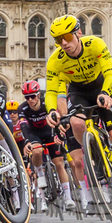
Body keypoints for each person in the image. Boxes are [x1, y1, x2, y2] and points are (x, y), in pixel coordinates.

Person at [44, 15, 112, 199]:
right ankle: (95, 158)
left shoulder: (95, 44)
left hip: (102, 86)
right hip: (79, 91)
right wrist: (51, 110)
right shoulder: (55, 60)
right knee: (76, 122)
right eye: (58, 40)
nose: (63, 43)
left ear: (79, 33)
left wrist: (106, 93)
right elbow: (50, 91)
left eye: (67, 37)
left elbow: (110, 72)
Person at [18, 80, 74, 210]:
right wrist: (27, 141)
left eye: (32, 96)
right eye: (27, 97)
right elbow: (24, 127)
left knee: (59, 163)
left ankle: (68, 197)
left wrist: (58, 135)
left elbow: (56, 119)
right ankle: (40, 174)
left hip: (50, 131)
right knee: (36, 151)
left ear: (38, 95)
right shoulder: (22, 108)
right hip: (34, 134)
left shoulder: (46, 104)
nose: (30, 100)